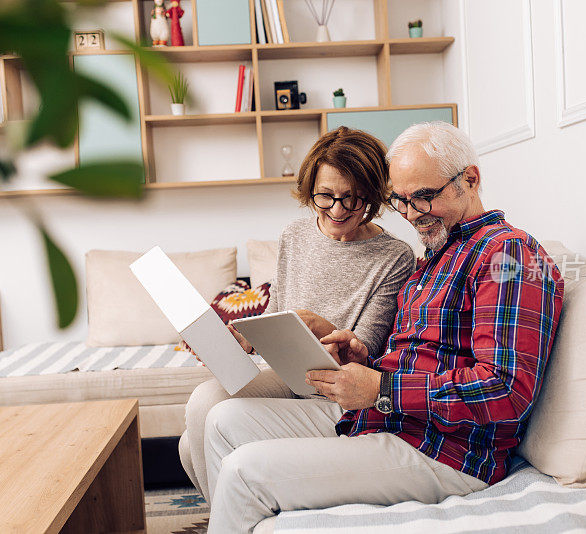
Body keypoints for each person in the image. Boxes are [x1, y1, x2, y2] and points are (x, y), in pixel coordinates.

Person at [202, 121, 565, 534]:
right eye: (401, 201)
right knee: (221, 420)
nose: (411, 215)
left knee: (243, 473)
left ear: (470, 178)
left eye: (424, 197)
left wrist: (382, 389)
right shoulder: (436, 254)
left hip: (445, 450)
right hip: (387, 418)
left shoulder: (508, 254)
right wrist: (365, 358)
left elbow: (507, 389)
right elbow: (421, 356)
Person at [178, 126, 416, 501]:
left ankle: (238, 514)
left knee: (203, 423)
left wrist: (326, 329)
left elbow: (367, 344)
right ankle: (233, 516)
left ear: (371, 196)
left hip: (334, 390)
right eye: (326, 196)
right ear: (310, 189)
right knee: (191, 434)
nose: (337, 210)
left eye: (352, 199)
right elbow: (273, 313)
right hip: (287, 375)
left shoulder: (394, 256)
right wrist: (237, 339)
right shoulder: (295, 235)